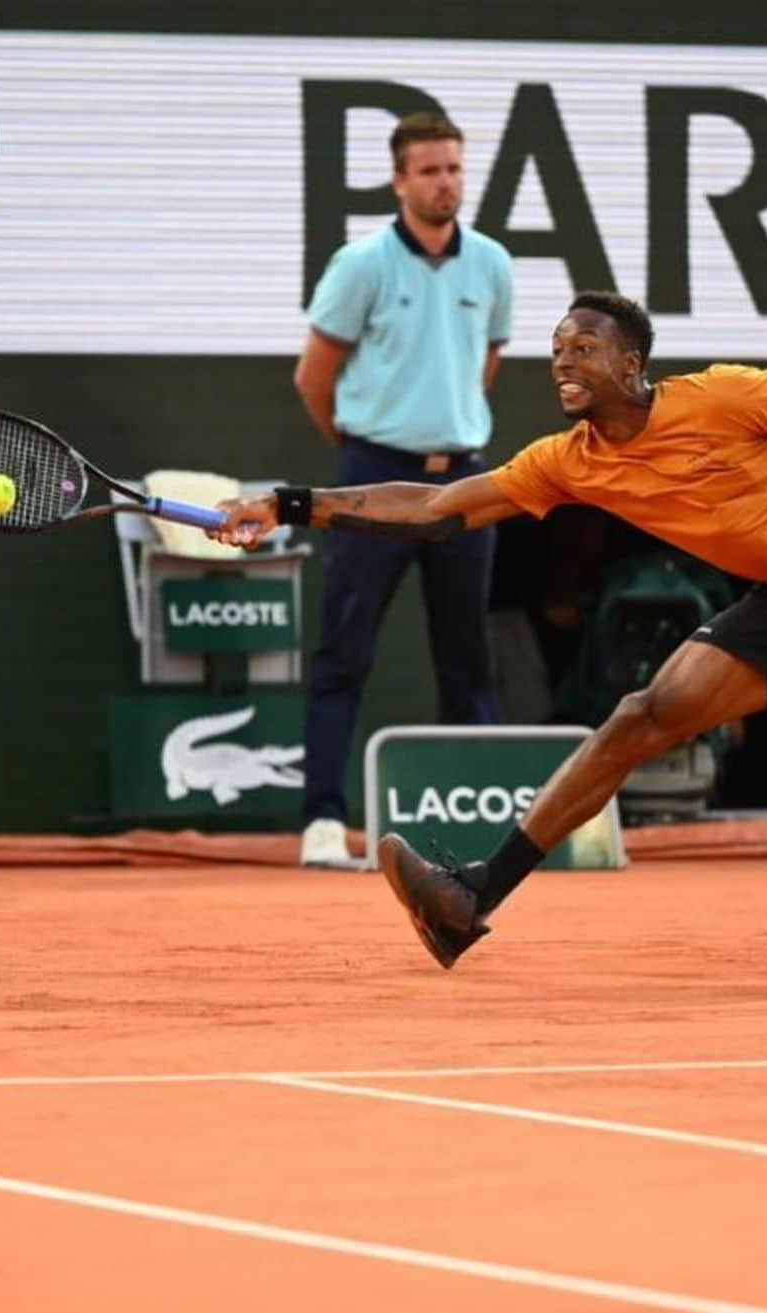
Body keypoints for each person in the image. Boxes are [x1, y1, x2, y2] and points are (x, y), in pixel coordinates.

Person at [212, 290, 767, 966]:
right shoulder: (568, 461)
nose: (562, 361)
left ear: (630, 366)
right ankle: (467, 899)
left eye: (582, 348)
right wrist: (287, 504)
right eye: (555, 349)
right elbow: (430, 507)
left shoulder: (721, 397)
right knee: (641, 717)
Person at [292, 111, 513, 868]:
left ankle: (481, 833)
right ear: (398, 180)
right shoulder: (360, 266)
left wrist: (444, 432)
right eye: (429, 170)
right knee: (343, 651)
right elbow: (313, 376)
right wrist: (364, 449)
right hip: (369, 478)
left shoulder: (492, 263)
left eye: (453, 167)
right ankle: (322, 820)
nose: (445, 182)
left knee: (468, 659)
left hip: (463, 481)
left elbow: (483, 362)